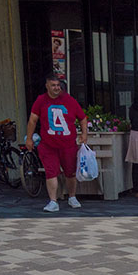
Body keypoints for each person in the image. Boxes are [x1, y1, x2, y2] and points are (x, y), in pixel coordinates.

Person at [25, 74, 86, 212]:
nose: (56, 88)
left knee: (70, 172)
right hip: (48, 145)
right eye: (53, 85)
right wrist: (29, 138)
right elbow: (33, 120)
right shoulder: (41, 100)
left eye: (58, 85)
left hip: (68, 144)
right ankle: (53, 200)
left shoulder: (69, 100)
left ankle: (72, 196)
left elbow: (82, 118)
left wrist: (84, 134)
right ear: (47, 86)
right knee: (50, 172)